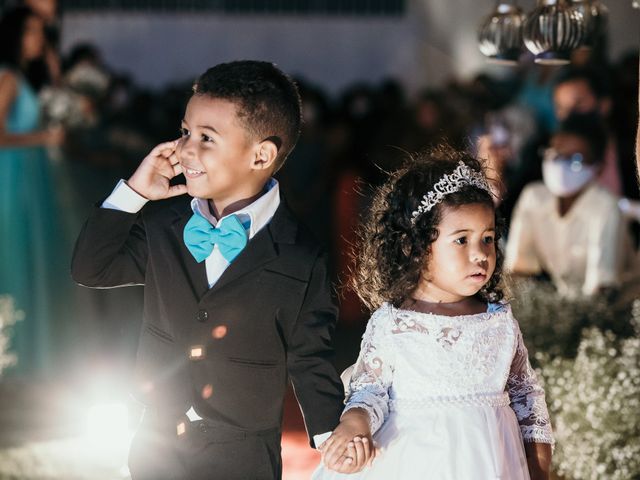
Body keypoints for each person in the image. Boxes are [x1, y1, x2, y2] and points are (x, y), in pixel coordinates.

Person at [71, 61, 350, 479]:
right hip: (156, 441)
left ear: (261, 154)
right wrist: (132, 194)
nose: (185, 150)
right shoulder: (163, 225)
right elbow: (91, 269)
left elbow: (311, 356)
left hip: (244, 452)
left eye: (206, 138)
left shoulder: (301, 255)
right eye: (185, 132)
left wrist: (331, 437)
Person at [314, 146, 554, 480]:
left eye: (487, 238)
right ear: (415, 247)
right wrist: (356, 424)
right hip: (412, 461)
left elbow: (526, 397)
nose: (480, 254)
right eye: (461, 240)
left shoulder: (498, 321)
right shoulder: (393, 323)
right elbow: (370, 390)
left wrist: (539, 468)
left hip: (492, 461)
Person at [506, 112, 637, 298]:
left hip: (619, 309)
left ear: (598, 167)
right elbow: (518, 270)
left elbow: (602, 290)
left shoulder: (604, 206)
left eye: (575, 160)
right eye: (555, 155)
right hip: (565, 306)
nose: (560, 166)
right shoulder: (534, 197)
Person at [0, 6, 66, 376]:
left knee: (28, 255)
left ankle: (24, 350)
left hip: (26, 175)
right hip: (11, 178)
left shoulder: (25, 74)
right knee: (14, 254)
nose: (41, 37)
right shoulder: (8, 77)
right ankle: (12, 350)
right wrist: (44, 137)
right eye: (34, 31)